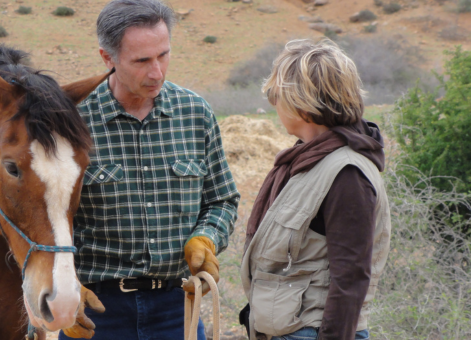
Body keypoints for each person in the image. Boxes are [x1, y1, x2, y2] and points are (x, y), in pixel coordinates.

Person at [58, 1, 240, 339]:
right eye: (142, 61)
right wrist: (64, 283)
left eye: (163, 55)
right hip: (96, 312)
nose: (156, 72)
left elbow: (222, 200)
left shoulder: (195, 113)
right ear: (107, 58)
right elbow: (42, 218)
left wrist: (206, 238)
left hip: (176, 308)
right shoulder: (71, 122)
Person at [239, 39, 391, 340]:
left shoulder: (347, 173)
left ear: (302, 105)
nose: (273, 103)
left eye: (279, 96)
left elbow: (350, 278)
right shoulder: (308, 160)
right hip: (293, 329)